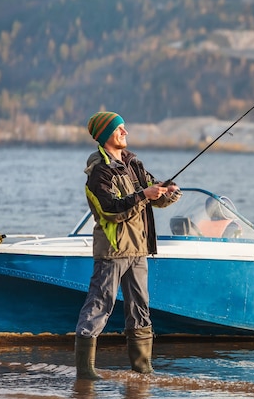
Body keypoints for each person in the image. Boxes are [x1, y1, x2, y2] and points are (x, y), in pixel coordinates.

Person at [75, 111, 181, 379]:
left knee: (140, 308)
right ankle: (85, 371)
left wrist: (167, 192)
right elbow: (109, 209)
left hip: (138, 249)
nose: (125, 132)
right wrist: (144, 195)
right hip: (112, 248)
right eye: (120, 128)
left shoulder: (134, 162)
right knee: (100, 304)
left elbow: (151, 193)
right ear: (107, 134)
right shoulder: (99, 171)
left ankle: (143, 369)